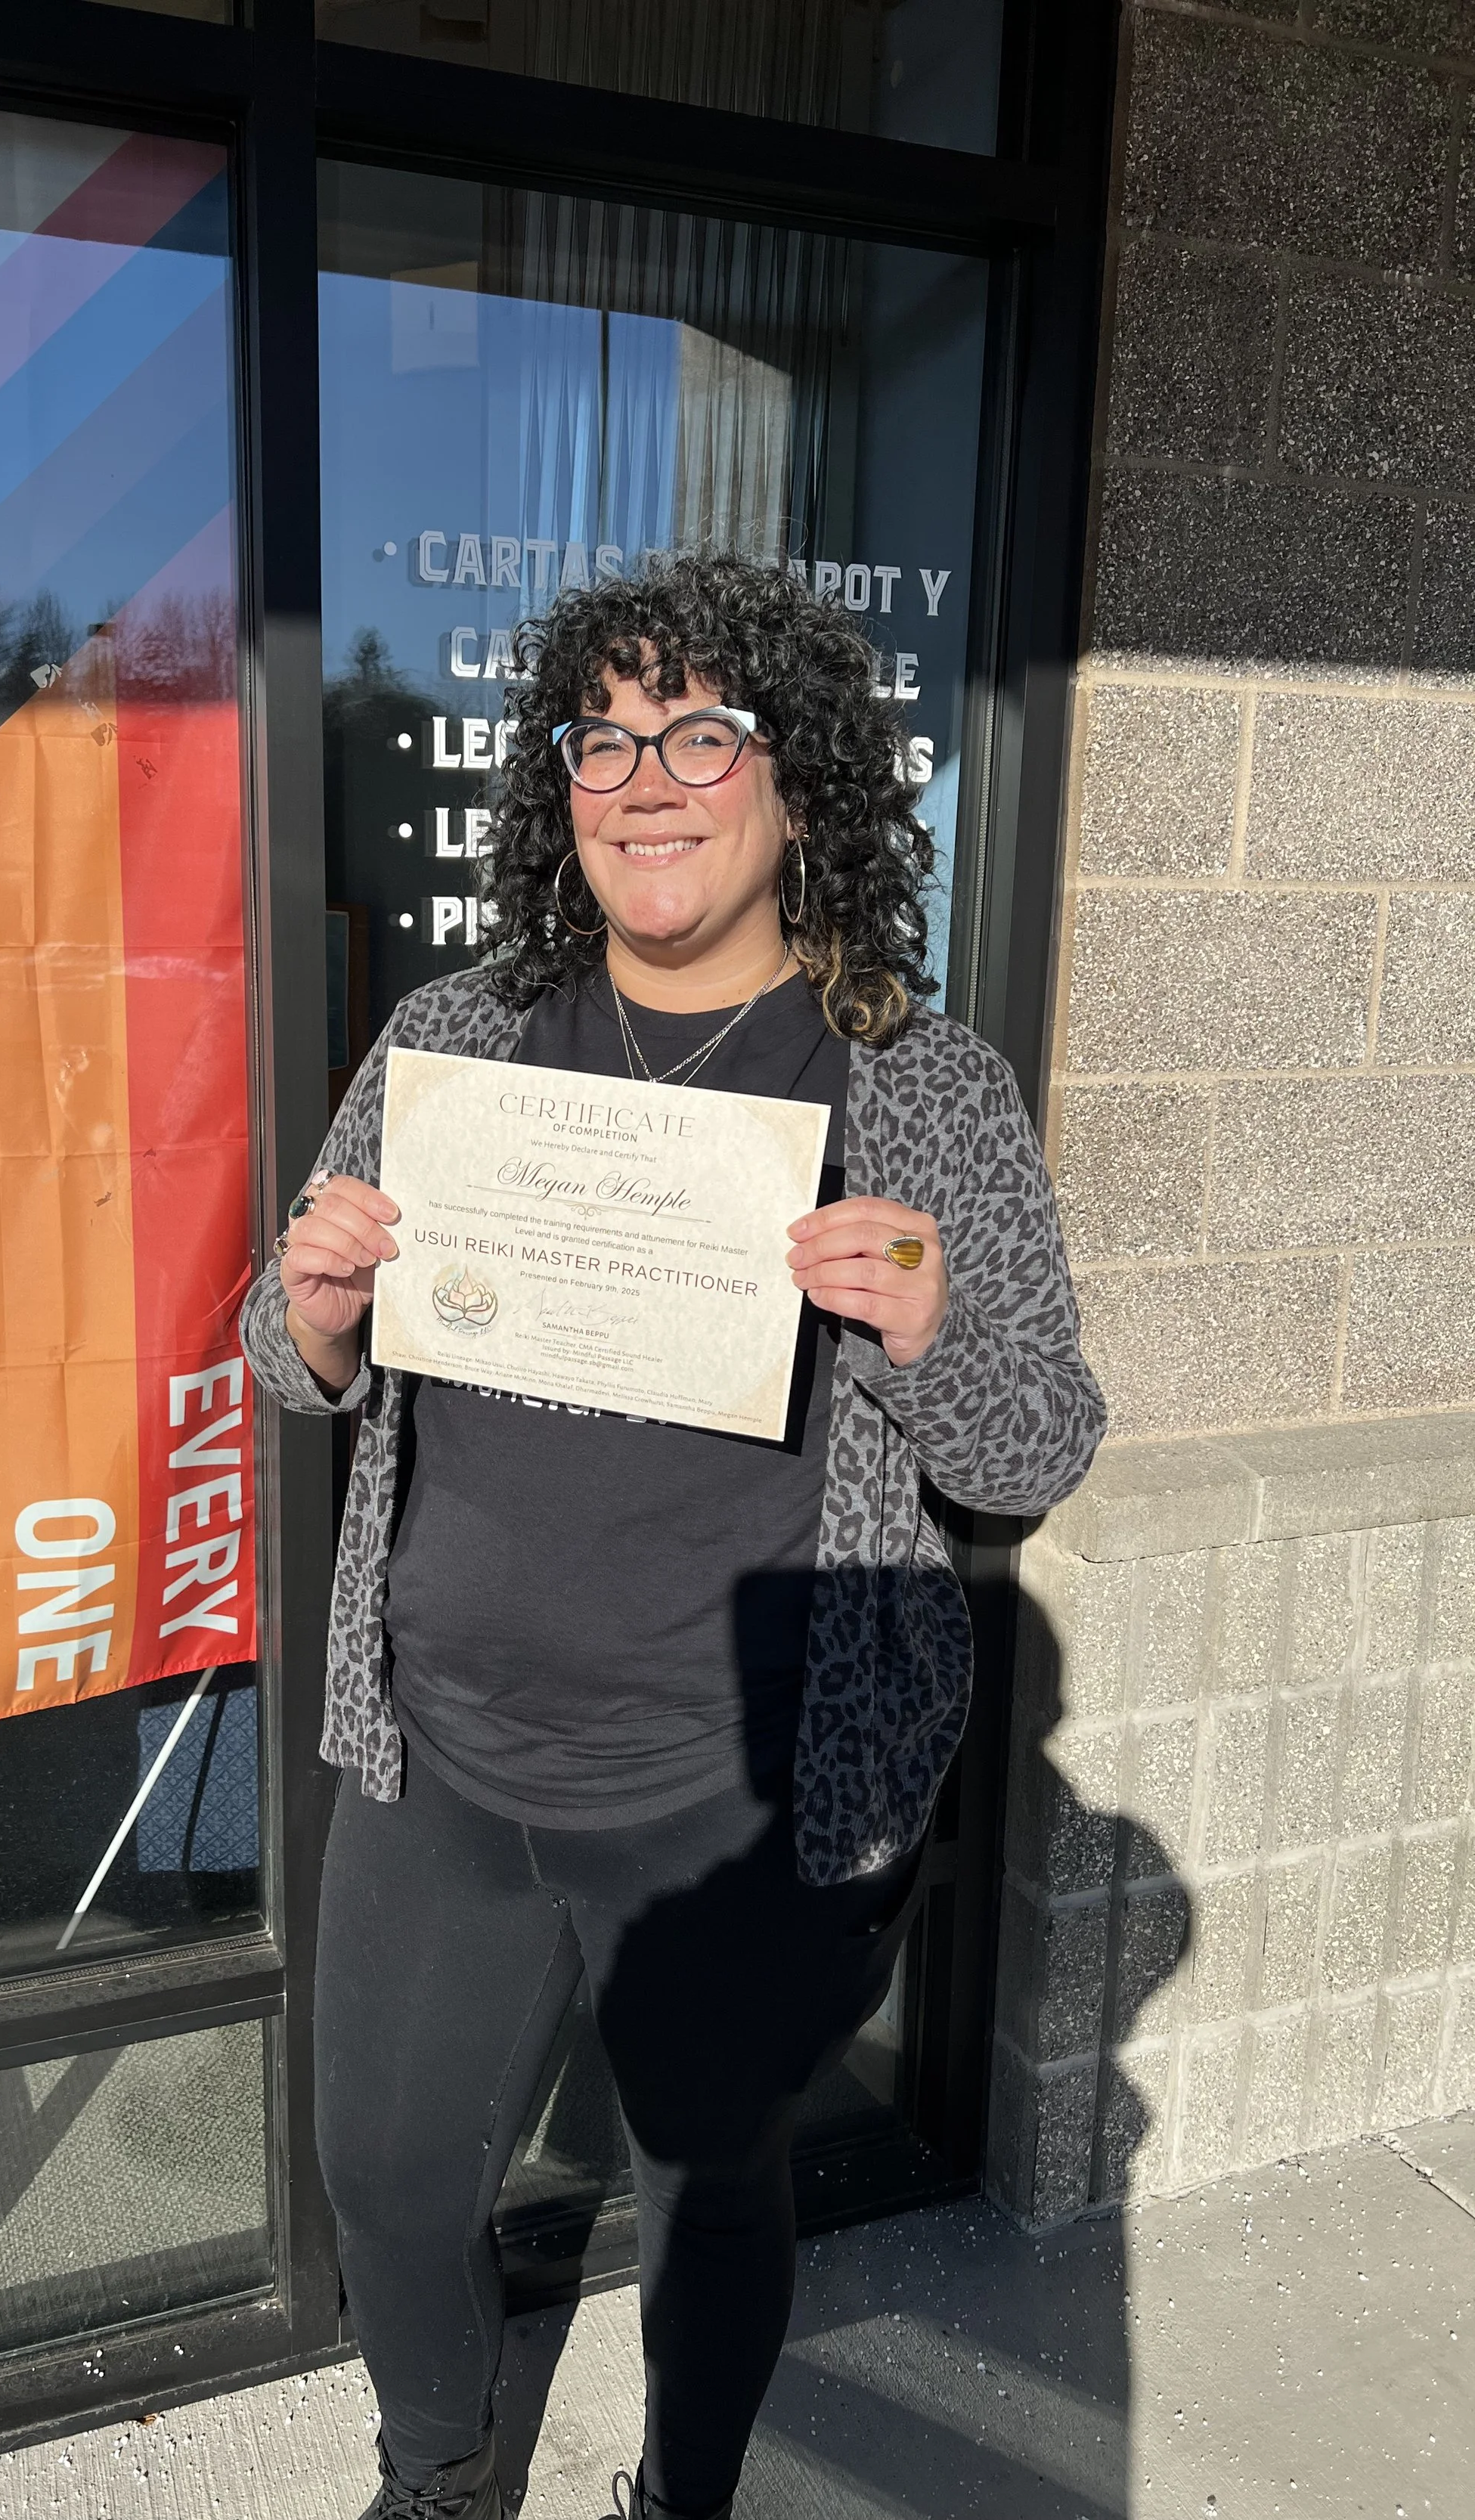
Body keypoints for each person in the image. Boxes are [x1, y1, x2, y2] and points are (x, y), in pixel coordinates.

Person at [239, 553, 1104, 2520]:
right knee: (382, 2164)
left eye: (698, 732)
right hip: (439, 1749)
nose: (645, 778)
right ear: (557, 790)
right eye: (602, 738)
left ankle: (676, 2499)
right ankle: (436, 2472)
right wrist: (305, 1315)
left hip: (741, 1794)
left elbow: (1032, 1449)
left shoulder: (923, 1088)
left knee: (708, 2183)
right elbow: (286, 1362)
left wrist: (924, 1325)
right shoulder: (459, 1039)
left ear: (797, 781)